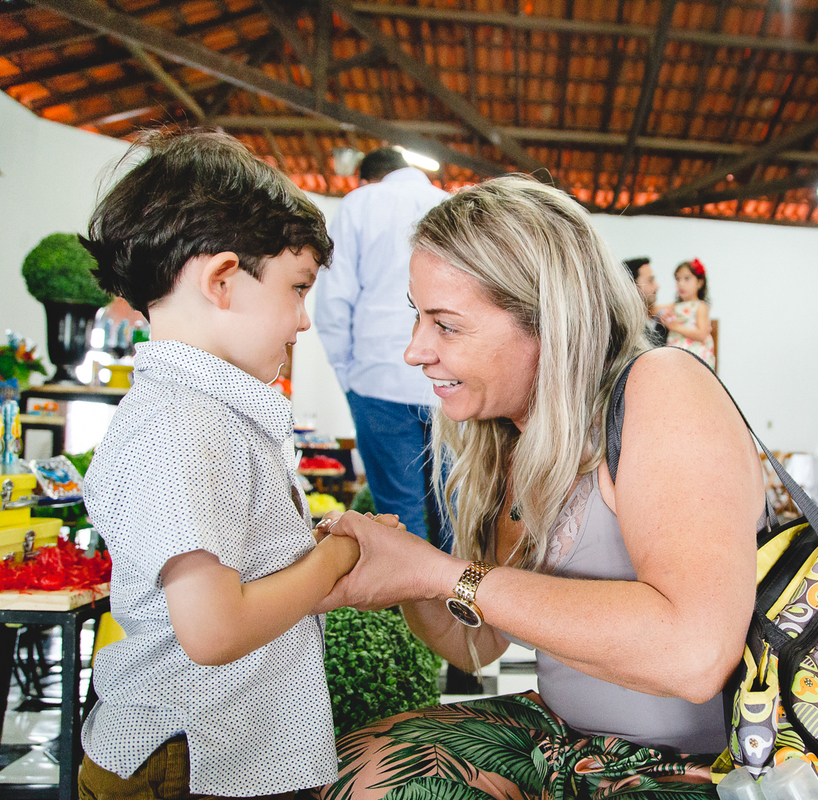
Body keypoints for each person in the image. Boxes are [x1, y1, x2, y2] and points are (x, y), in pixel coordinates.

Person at [313, 176, 766, 800]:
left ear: (547, 321)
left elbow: (694, 654)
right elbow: (475, 644)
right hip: (568, 740)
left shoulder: (662, 386)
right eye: (417, 316)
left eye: (446, 325)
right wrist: (400, 576)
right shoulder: (511, 438)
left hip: (702, 765)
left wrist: (443, 576)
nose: (415, 349)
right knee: (354, 774)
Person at [77, 130, 360, 800]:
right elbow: (215, 629)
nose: (303, 321)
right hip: (189, 761)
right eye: (297, 289)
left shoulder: (202, 413)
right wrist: (335, 560)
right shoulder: (186, 426)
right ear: (223, 280)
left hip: (212, 755)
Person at [313, 147, 450, 549]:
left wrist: (348, 376)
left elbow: (334, 302)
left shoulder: (360, 204)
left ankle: (408, 606)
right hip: (449, 381)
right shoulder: (451, 205)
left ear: (366, 178)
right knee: (457, 513)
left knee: (399, 519)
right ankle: (459, 607)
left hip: (378, 379)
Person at [659, 258, 716, 369]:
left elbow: (701, 334)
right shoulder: (674, 306)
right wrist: (663, 316)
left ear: (699, 283)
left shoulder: (700, 306)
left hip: (695, 354)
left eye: (687, 278)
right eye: (678, 279)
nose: (681, 284)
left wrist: (675, 327)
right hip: (675, 353)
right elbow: (652, 309)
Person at [622, 256, 668, 346]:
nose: (657, 286)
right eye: (650, 281)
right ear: (633, 287)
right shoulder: (627, 329)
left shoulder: (659, 321)